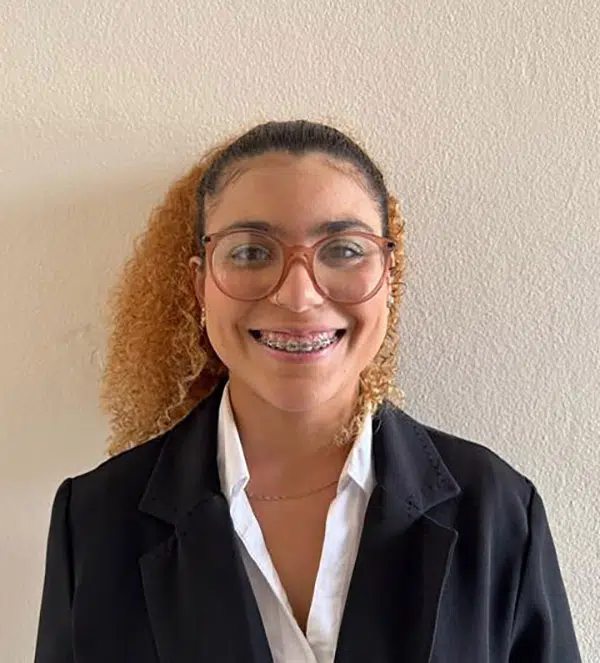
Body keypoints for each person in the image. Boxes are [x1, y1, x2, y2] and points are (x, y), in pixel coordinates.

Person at [33, 120, 581, 663]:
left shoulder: (498, 511)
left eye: (343, 250)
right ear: (200, 284)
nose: (298, 297)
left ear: (389, 277)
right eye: (251, 252)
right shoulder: (95, 523)